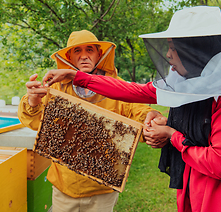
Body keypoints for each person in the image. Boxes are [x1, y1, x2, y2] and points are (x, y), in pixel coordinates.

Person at [42, 6, 221, 212]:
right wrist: (78, 76)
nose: (167, 55)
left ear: (194, 50)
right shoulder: (188, 82)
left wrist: (172, 136)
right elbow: (134, 91)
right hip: (195, 190)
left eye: (173, 47)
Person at [18, 30, 157, 212]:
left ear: (99, 54)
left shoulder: (115, 85)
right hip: (64, 187)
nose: (84, 56)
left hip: (102, 190)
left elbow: (138, 110)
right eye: (77, 51)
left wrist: (150, 118)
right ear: (69, 57)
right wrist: (32, 100)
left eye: (89, 50)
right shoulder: (56, 88)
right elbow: (34, 121)